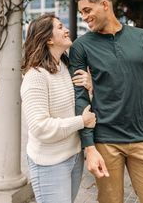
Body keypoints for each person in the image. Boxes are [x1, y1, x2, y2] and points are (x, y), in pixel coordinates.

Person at [69, 0, 143, 203]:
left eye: (87, 10)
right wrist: (88, 147)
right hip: (105, 141)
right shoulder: (81, 46)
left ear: (105, 5)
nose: (84, 17)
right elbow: (80, 97)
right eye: (81, 13)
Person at [20, 14, 96, 203]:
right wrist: (82, 122)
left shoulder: (65, 66)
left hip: (74, 157)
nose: (67, 30)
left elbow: (77, 106)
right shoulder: (35, 76)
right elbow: (40, 127)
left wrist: (90, 88)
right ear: (48, 38)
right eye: (60, 27)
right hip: (49, 164)